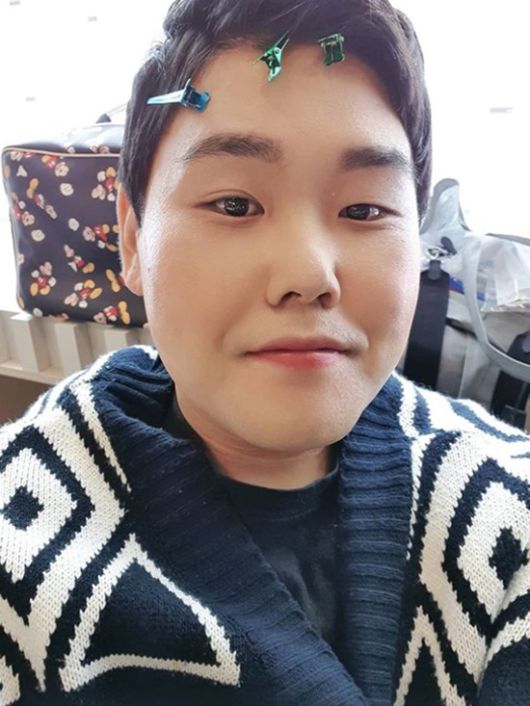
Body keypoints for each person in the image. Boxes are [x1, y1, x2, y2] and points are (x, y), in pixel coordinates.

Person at [0, 0, 529, 704]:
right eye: (234, 205)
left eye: (364, 209)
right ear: (132, 238)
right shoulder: (19, 551)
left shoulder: (510, 509)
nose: (308, 275)